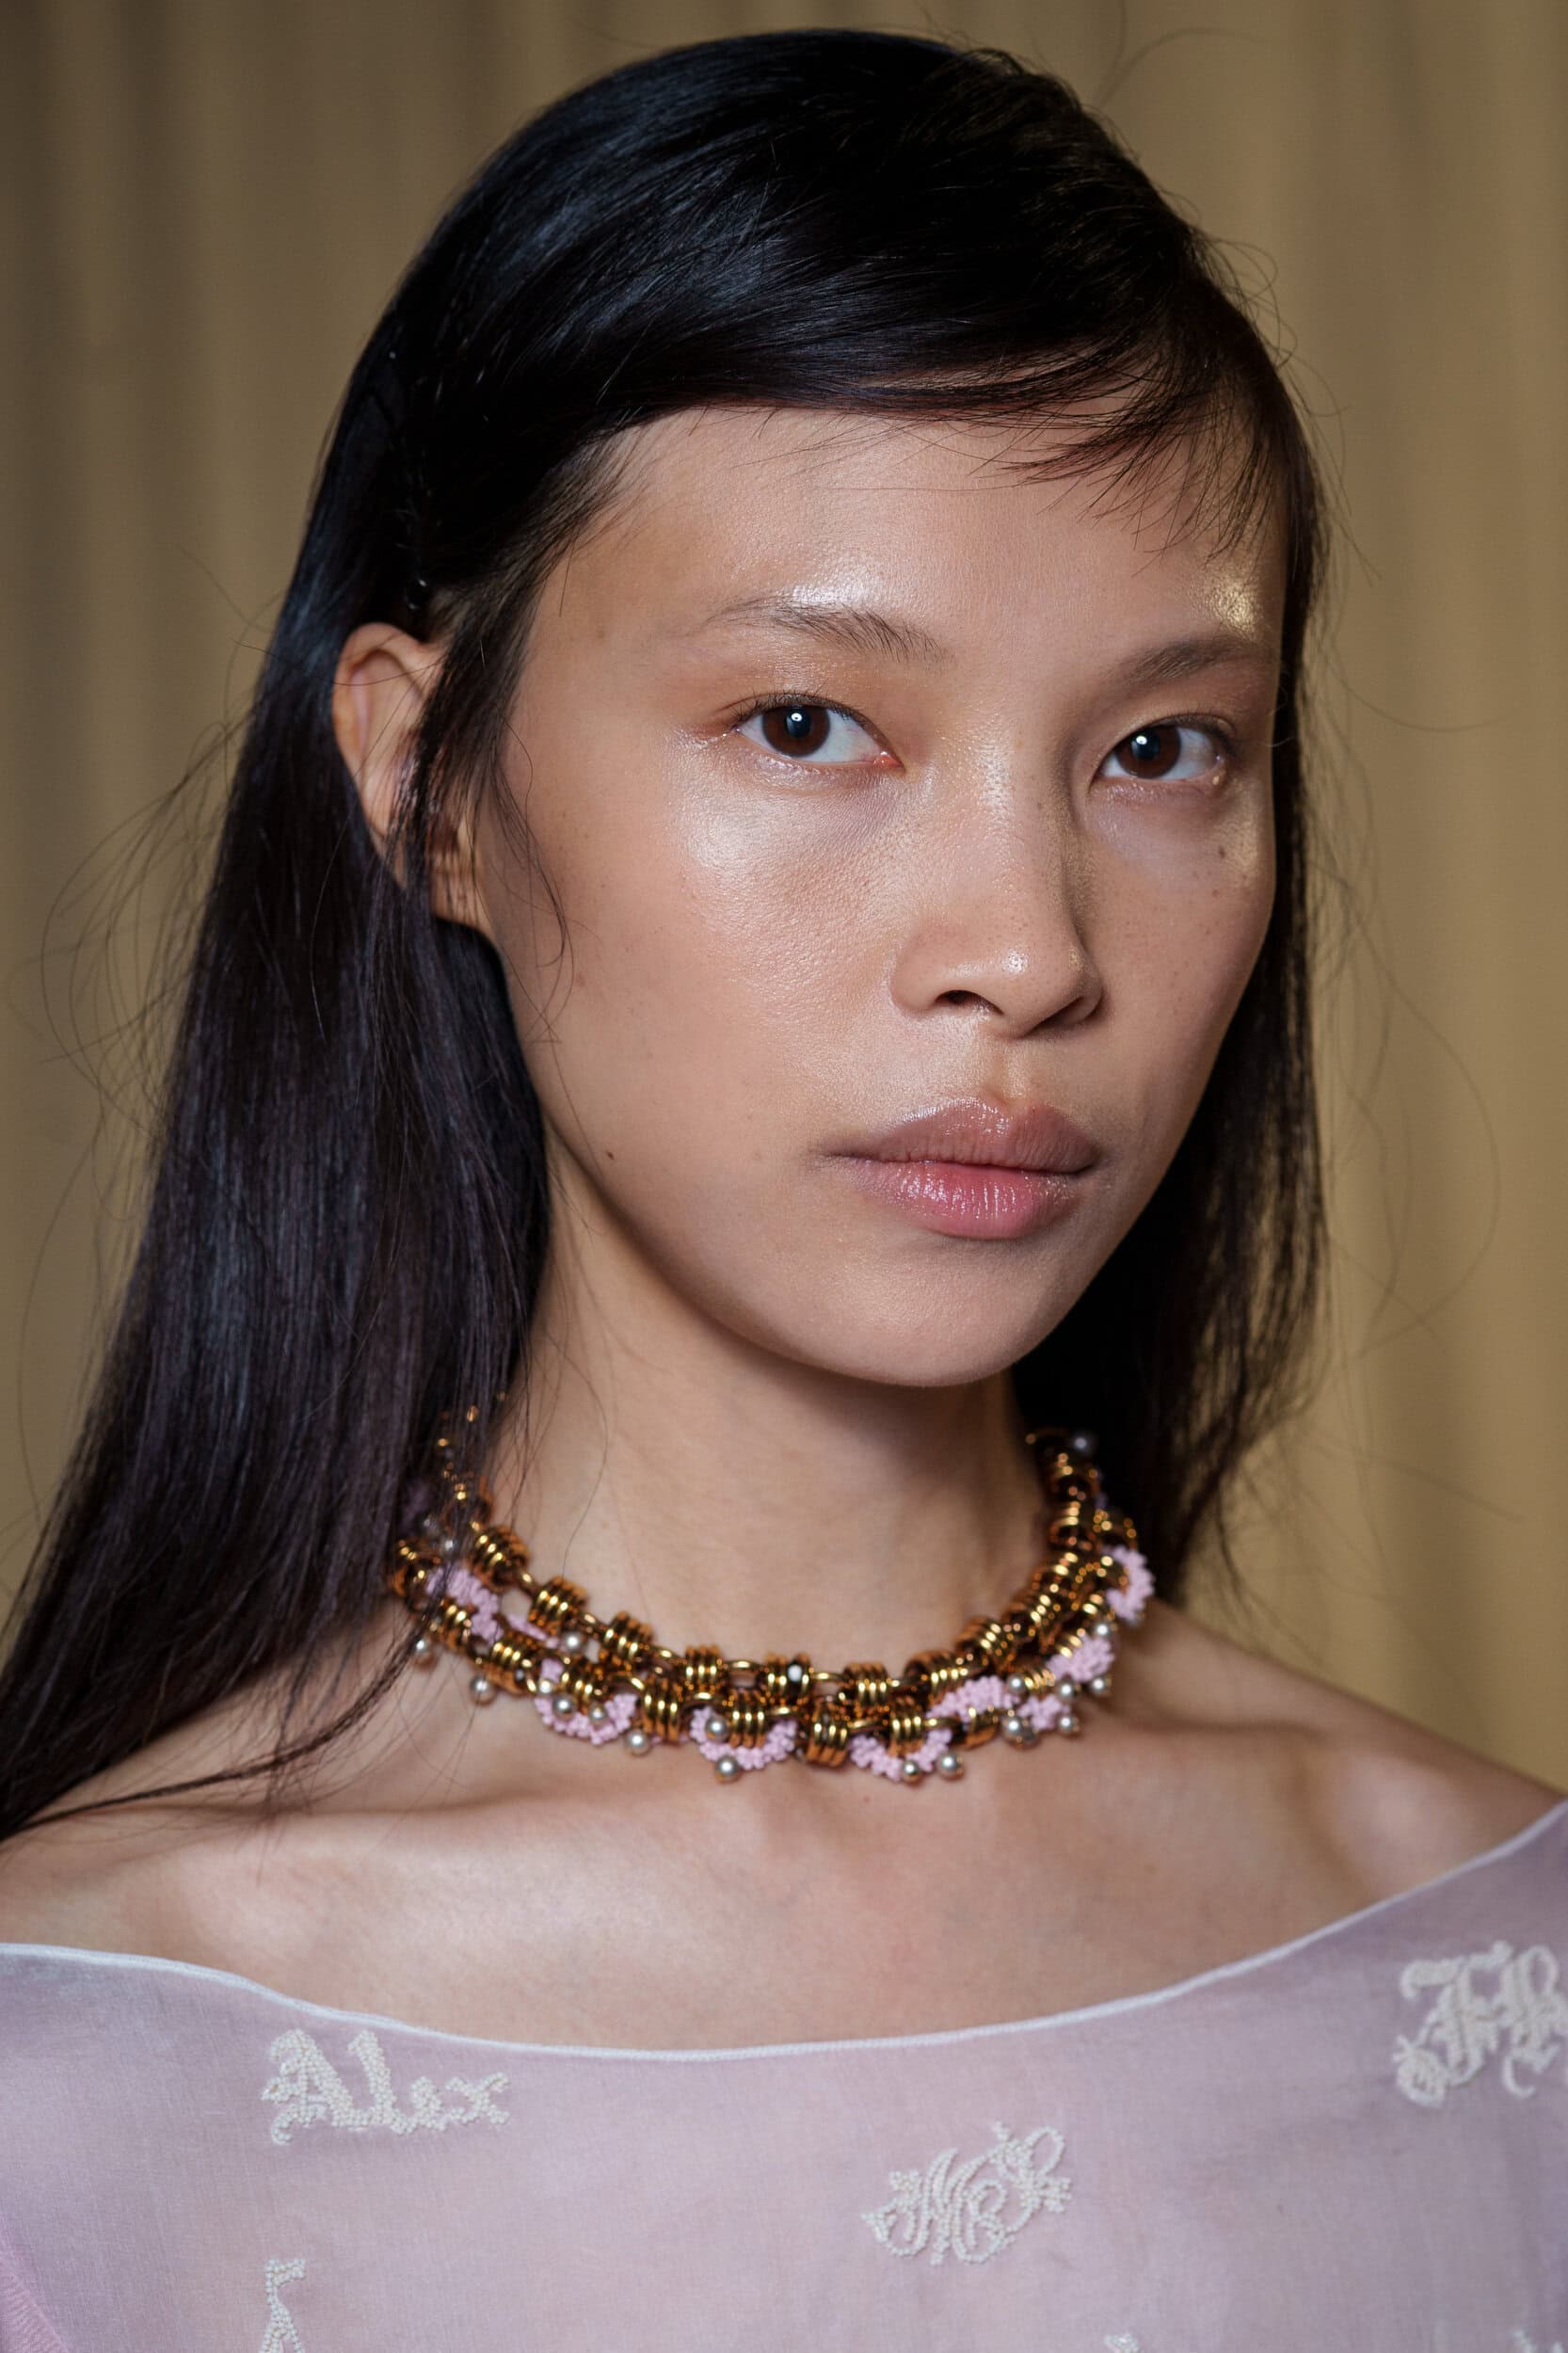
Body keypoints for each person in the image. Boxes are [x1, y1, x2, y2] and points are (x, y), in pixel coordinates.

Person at [0, 26, 1560, 2349]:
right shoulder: (77, 2065)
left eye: (1158, 750)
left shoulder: (1495, 1957)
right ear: (426, 784)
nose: (1024, 948)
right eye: (807, 722)